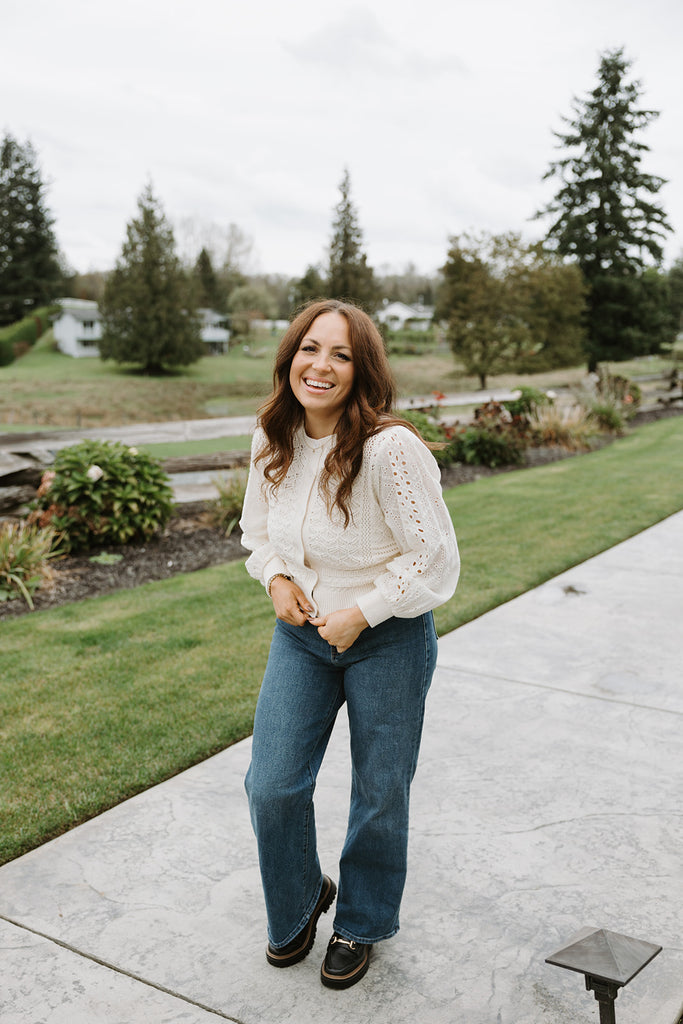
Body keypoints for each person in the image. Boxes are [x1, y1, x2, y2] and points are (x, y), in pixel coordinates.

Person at [239, 299, 459, 989]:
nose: (320, 365)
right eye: (309, 348)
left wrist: (363, 612)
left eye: (339, 354)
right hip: (301, 637)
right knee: (270, 784)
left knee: (379, 789)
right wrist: (275, 579)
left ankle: (361, 921)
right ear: (289, 357)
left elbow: (435, 559)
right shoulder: (271, 434)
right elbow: (258, 531)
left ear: (361, 369)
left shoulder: (388, 448)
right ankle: (303, 895)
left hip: (387, 640)